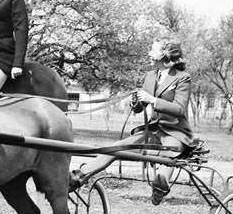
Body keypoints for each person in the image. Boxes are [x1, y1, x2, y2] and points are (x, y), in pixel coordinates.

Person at [72, 39, 193, 205]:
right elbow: (139, 108)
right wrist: (136, 103)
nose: (149, 54)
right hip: (152, 131)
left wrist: (152, 100)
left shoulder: (182, 78)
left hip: (175, 133)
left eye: (153, 50)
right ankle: (79, 176)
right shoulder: (150, 76)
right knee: (116, 148)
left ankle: (160, 186)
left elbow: (179, 109)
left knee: (167, 157)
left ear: (165, 55)